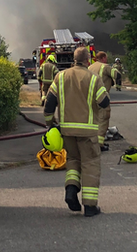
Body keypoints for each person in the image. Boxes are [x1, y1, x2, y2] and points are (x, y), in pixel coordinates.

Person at [43, 46, 109, 217]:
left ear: (74, 59)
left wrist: (50, 124)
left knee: (72, 161)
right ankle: (90, 206)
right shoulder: (94, 79)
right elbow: (104, 102)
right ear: (88, 60)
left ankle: (71, 191)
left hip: (67, 131)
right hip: (88, 133)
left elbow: (49, 104)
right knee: (90, 165)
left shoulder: (61, 76)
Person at [88, 51, 116, 152]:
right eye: (106, 58)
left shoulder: (90, 67)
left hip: (91, 97)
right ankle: (100, 144)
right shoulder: (105, 66)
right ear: (103, 58)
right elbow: (116, 74)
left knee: (94, 120)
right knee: (104, 119)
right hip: (102, 96)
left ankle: (93, 142)